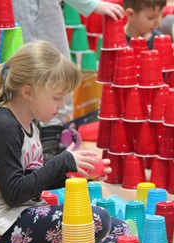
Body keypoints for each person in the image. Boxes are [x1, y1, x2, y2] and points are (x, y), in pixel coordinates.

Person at [0, 40, 129, 243]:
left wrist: (75, 173)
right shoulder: (2, 124)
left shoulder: (30, 120)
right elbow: (14, 193)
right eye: (57, 97)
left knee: (121, 231)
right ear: (27, 92)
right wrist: (63, 161)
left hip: (21, 215)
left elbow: (34, 177)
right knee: (97, 220)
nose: (62, 105)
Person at [12, 0, 125, 161]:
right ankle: (47, 140)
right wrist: (92, 5)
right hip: (35, 9)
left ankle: (50, 136)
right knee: (48, 73)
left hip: (40, 9)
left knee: (54, 72)